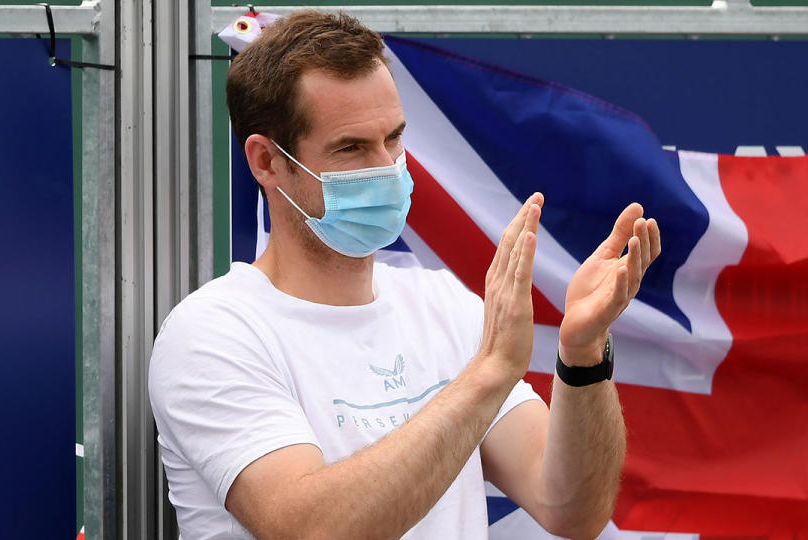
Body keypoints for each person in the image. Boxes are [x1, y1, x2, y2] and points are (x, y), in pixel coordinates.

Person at [149, 9, 661, 540]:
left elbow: (573, 510)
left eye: (393, 138)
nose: (387, 167)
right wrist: (487, 373)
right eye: (351, 148)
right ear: (266, 162)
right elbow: (310, 529)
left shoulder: (441, 303)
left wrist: (583, 357)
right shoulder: (213, 333)